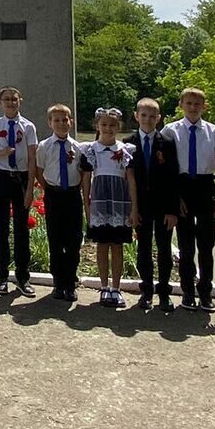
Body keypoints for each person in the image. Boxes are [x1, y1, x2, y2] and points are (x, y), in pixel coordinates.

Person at [163, 88, 215, 312]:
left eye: (197, 104)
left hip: (205, 186)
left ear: (204, 106)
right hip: (181, 187)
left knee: (206, 244)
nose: (193, 107)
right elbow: (167, 167)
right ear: (181, 104)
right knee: (186, 244)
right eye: (189, 103)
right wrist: (174, 197)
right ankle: (188, 291)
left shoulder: (214, 131)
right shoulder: (170, 131)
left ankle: (205, 291)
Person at [0, 86, 39, 296]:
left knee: (21, 229)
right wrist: (1, 152)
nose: (10, 103)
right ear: (0, 102)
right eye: (6, 99)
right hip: (2, 176)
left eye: (14, 99)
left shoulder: (28, 127)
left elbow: (33, 157)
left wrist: (30, 188)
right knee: (1, 227)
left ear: (20, 101)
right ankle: (2, 276)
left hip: (21, 177)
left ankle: (23, 277)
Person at [80, 108, 139, 306]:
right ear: (97, 126)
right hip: (100, 202)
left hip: (119, 203)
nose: (108, 128)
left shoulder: (126, 150)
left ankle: (116, 288)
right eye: (104, 125)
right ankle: (104, 287)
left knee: (118, 246)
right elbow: (86, 180)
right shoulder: (91, 150)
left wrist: (134, 207)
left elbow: (131, 180)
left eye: (112, 125)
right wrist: (88, 207)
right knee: (102, 245)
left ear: (119, 127)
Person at [126, 97, 178, 312]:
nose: (148, 119)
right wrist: (132, 208)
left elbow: (173, 177)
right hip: (141, 205)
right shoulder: (128, 144)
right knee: (144, 248)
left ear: (159, 118)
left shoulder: (167, 142)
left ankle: (164, 292)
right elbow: (127, 178)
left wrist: (172, 210)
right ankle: (146, 291)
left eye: (152, 116)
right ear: (136, 116)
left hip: (163, 205)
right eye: (144, 115)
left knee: (164, 249)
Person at [35, 103, 85, 302]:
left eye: (65, 120)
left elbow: (82, 172)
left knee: (73, 241)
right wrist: (49, 188)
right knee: (55, 240)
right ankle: (58, 282)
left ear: (71, 122)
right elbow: (40, 170)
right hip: (54, 195)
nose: (61, 124)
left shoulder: (79, 148)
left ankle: (70, 282)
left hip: (72, 196)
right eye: (57, 120)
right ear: (50, 123)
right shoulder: (44, 146)